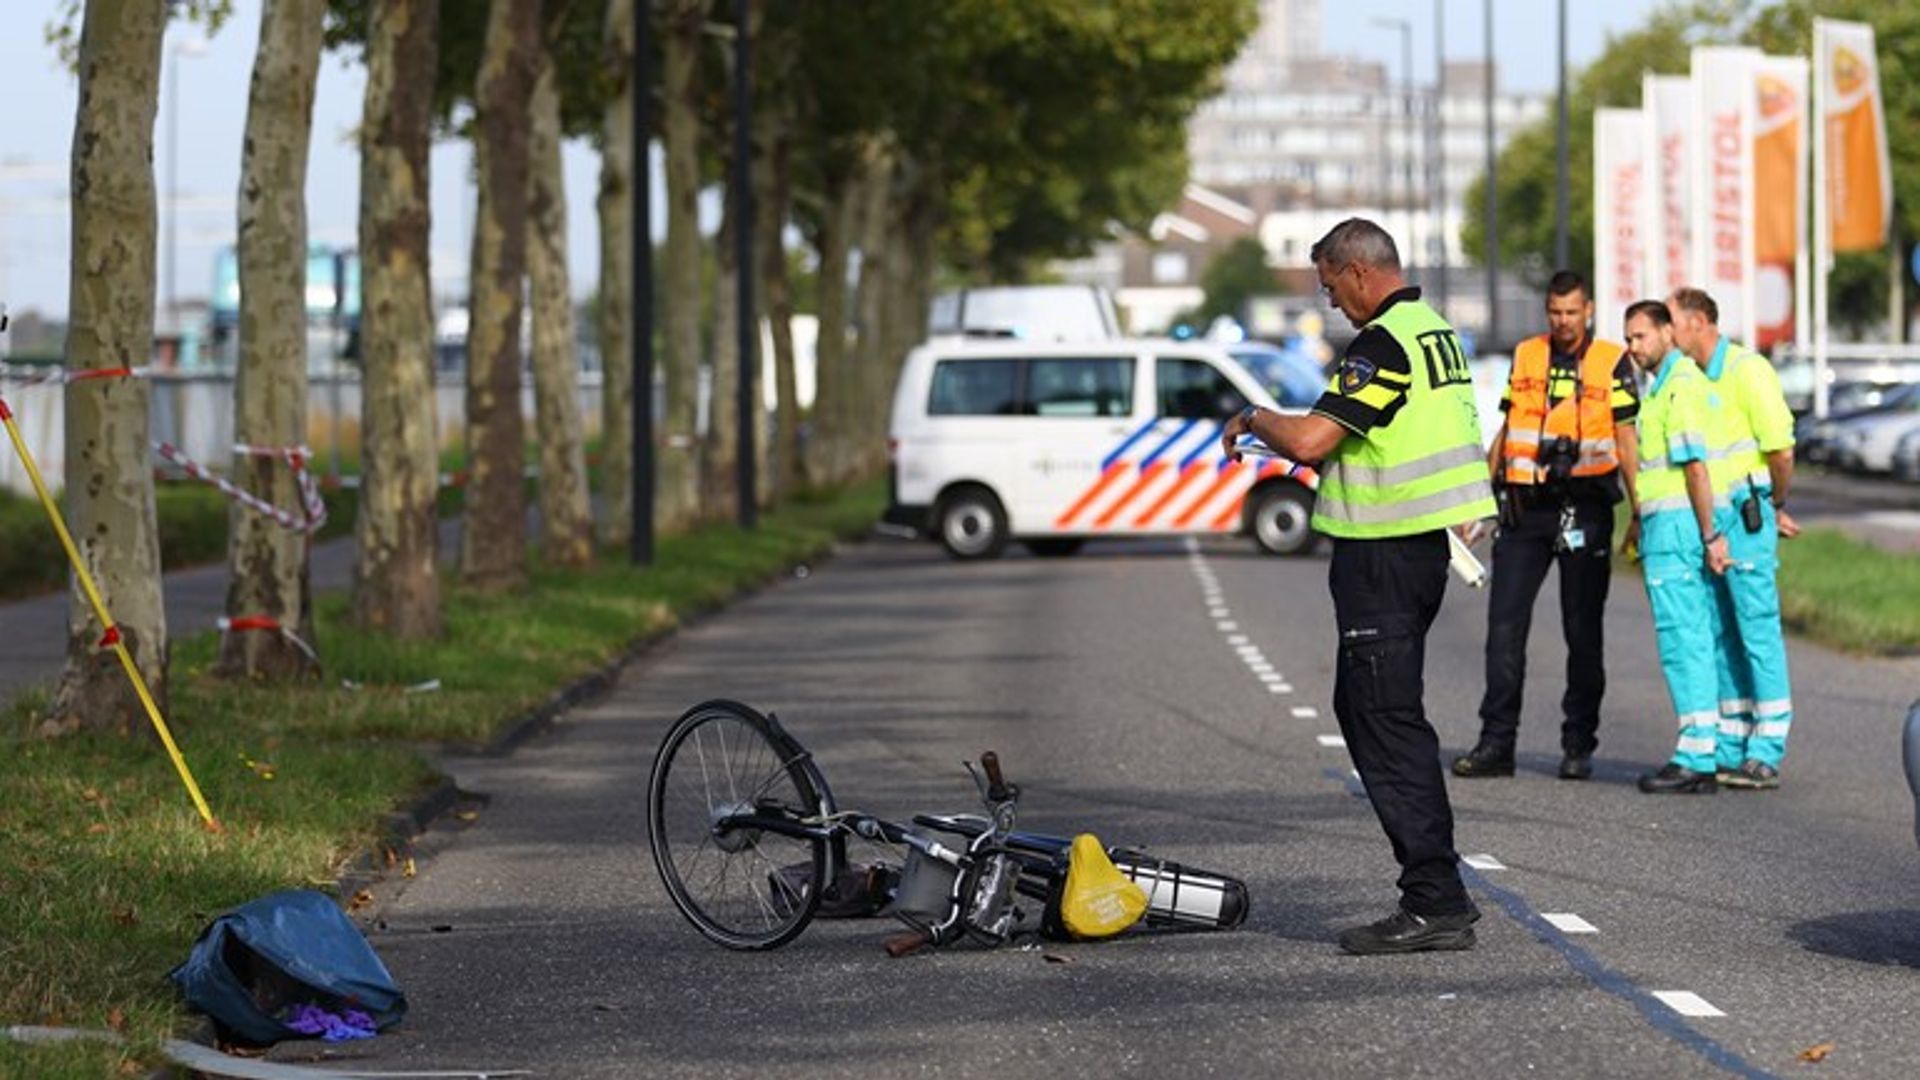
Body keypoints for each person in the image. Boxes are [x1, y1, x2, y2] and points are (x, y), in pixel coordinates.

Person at [1219, 218, 1495, 955]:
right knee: (1369, 707)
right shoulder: (1433, 329)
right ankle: (1434, 893)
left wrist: (1254, 418)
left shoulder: (1382, 344)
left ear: (1359, 270)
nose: (1330, 300)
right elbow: (1382, 441)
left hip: (1386, 554)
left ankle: (1436, 899)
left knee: (1386, 719)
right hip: (1415, 548)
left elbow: (1312, 439)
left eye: (1329, 283)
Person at [1452, 271, 1641, 782]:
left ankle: (1578, 744)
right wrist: (1479, 497)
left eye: (1571, 312)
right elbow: (1509, 427)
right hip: (1525, 509)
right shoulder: (1527, 354)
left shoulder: (1610, 360)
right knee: (1504, 628)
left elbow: (1626, 440)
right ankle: (1497, 743)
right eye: (1555, 312)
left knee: (1582, 632)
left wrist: (1640, 513)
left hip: (1587, 507)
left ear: (1590, 310)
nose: (1562, 322)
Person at [1666, 287, 1799, 789]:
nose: (1668, 329)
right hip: (1713, 526)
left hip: (1747, 517)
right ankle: (1733, 737)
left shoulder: (1747, 370)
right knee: (1723, 634)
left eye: (1673, 321)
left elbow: (1781, 450)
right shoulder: (1690, 377)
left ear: (1698, 322)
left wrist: (1776, 504)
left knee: (1758, 632)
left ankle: (1767, 747)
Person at [1620, 300, 1734, 793]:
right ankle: (1703, 749)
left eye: (1640, 336)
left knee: (1682, 643)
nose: (1632, 347)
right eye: (1628, 339)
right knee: (1693, 639)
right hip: (1672, 529)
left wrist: (1710, 534)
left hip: (1678, 531)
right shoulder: (1665, 386)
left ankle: (1695, 754)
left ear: (1667, 332)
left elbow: (1695, 467)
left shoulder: (1679, 386)